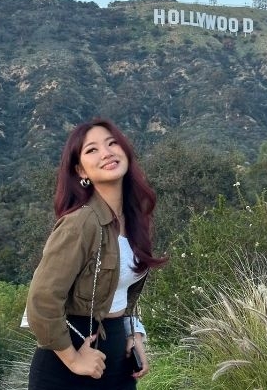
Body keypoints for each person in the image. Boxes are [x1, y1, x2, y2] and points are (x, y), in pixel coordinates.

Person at [25, 118, 167, 389]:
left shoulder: (135, 220)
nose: (106, 152)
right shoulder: (81, 222)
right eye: (92, 150)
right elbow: (41, 301)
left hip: (116, 356)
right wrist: (74, 359)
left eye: (112, 143)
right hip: (68, 362)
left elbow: (121, 292)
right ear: (81, 170)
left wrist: (134, 332)